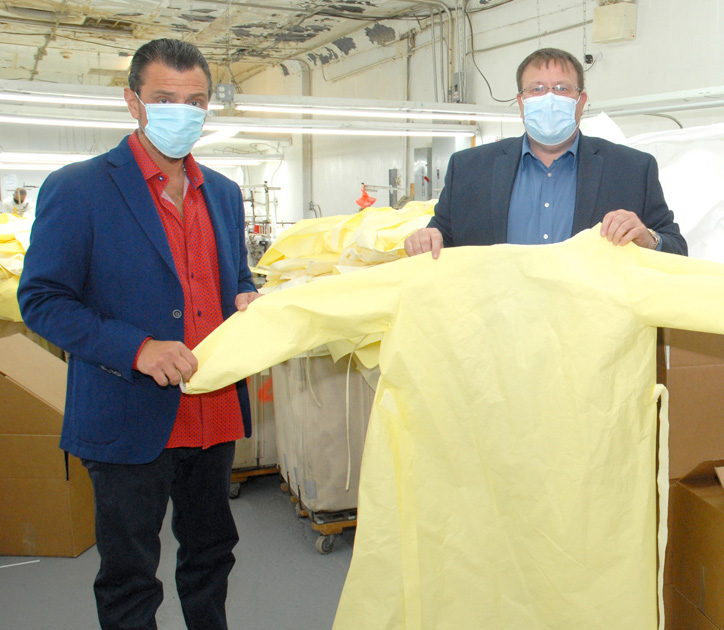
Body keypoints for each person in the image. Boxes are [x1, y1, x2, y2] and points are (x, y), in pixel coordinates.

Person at [18, 38, 260, 630]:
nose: (183, 112)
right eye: (165, 98)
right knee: (130, 575)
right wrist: (138, 348)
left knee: (211, 557)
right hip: (127, 411)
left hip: (212, 409)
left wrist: (248, 304)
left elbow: (236, 281)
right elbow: (43, 300)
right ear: (133, 102)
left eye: (196, 101)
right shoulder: (80, 189)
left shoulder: (224, 194)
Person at [404, 48, 687, 258]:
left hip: (591, 329)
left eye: (562, 89)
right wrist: (427, 239)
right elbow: (442, 234)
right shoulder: (469, 167)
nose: (549, 98)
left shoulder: (631, 169)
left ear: (581, 101)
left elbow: (676, 248)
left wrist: (647, 238)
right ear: (521, 102)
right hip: (495, 326)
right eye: (537, 89)